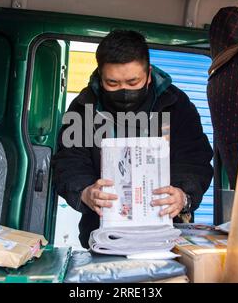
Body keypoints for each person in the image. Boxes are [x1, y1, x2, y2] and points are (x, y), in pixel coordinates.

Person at [52, 30, 213, 248]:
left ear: (148, 75)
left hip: (167, 236)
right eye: (113, 83)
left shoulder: (176, 104)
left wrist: (183, 195)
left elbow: (194, 159)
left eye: (132, 81)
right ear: (101, 76)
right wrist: (85, 191)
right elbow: (69, 162)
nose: (124, 90)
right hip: (102, 236)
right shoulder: (83, 107)